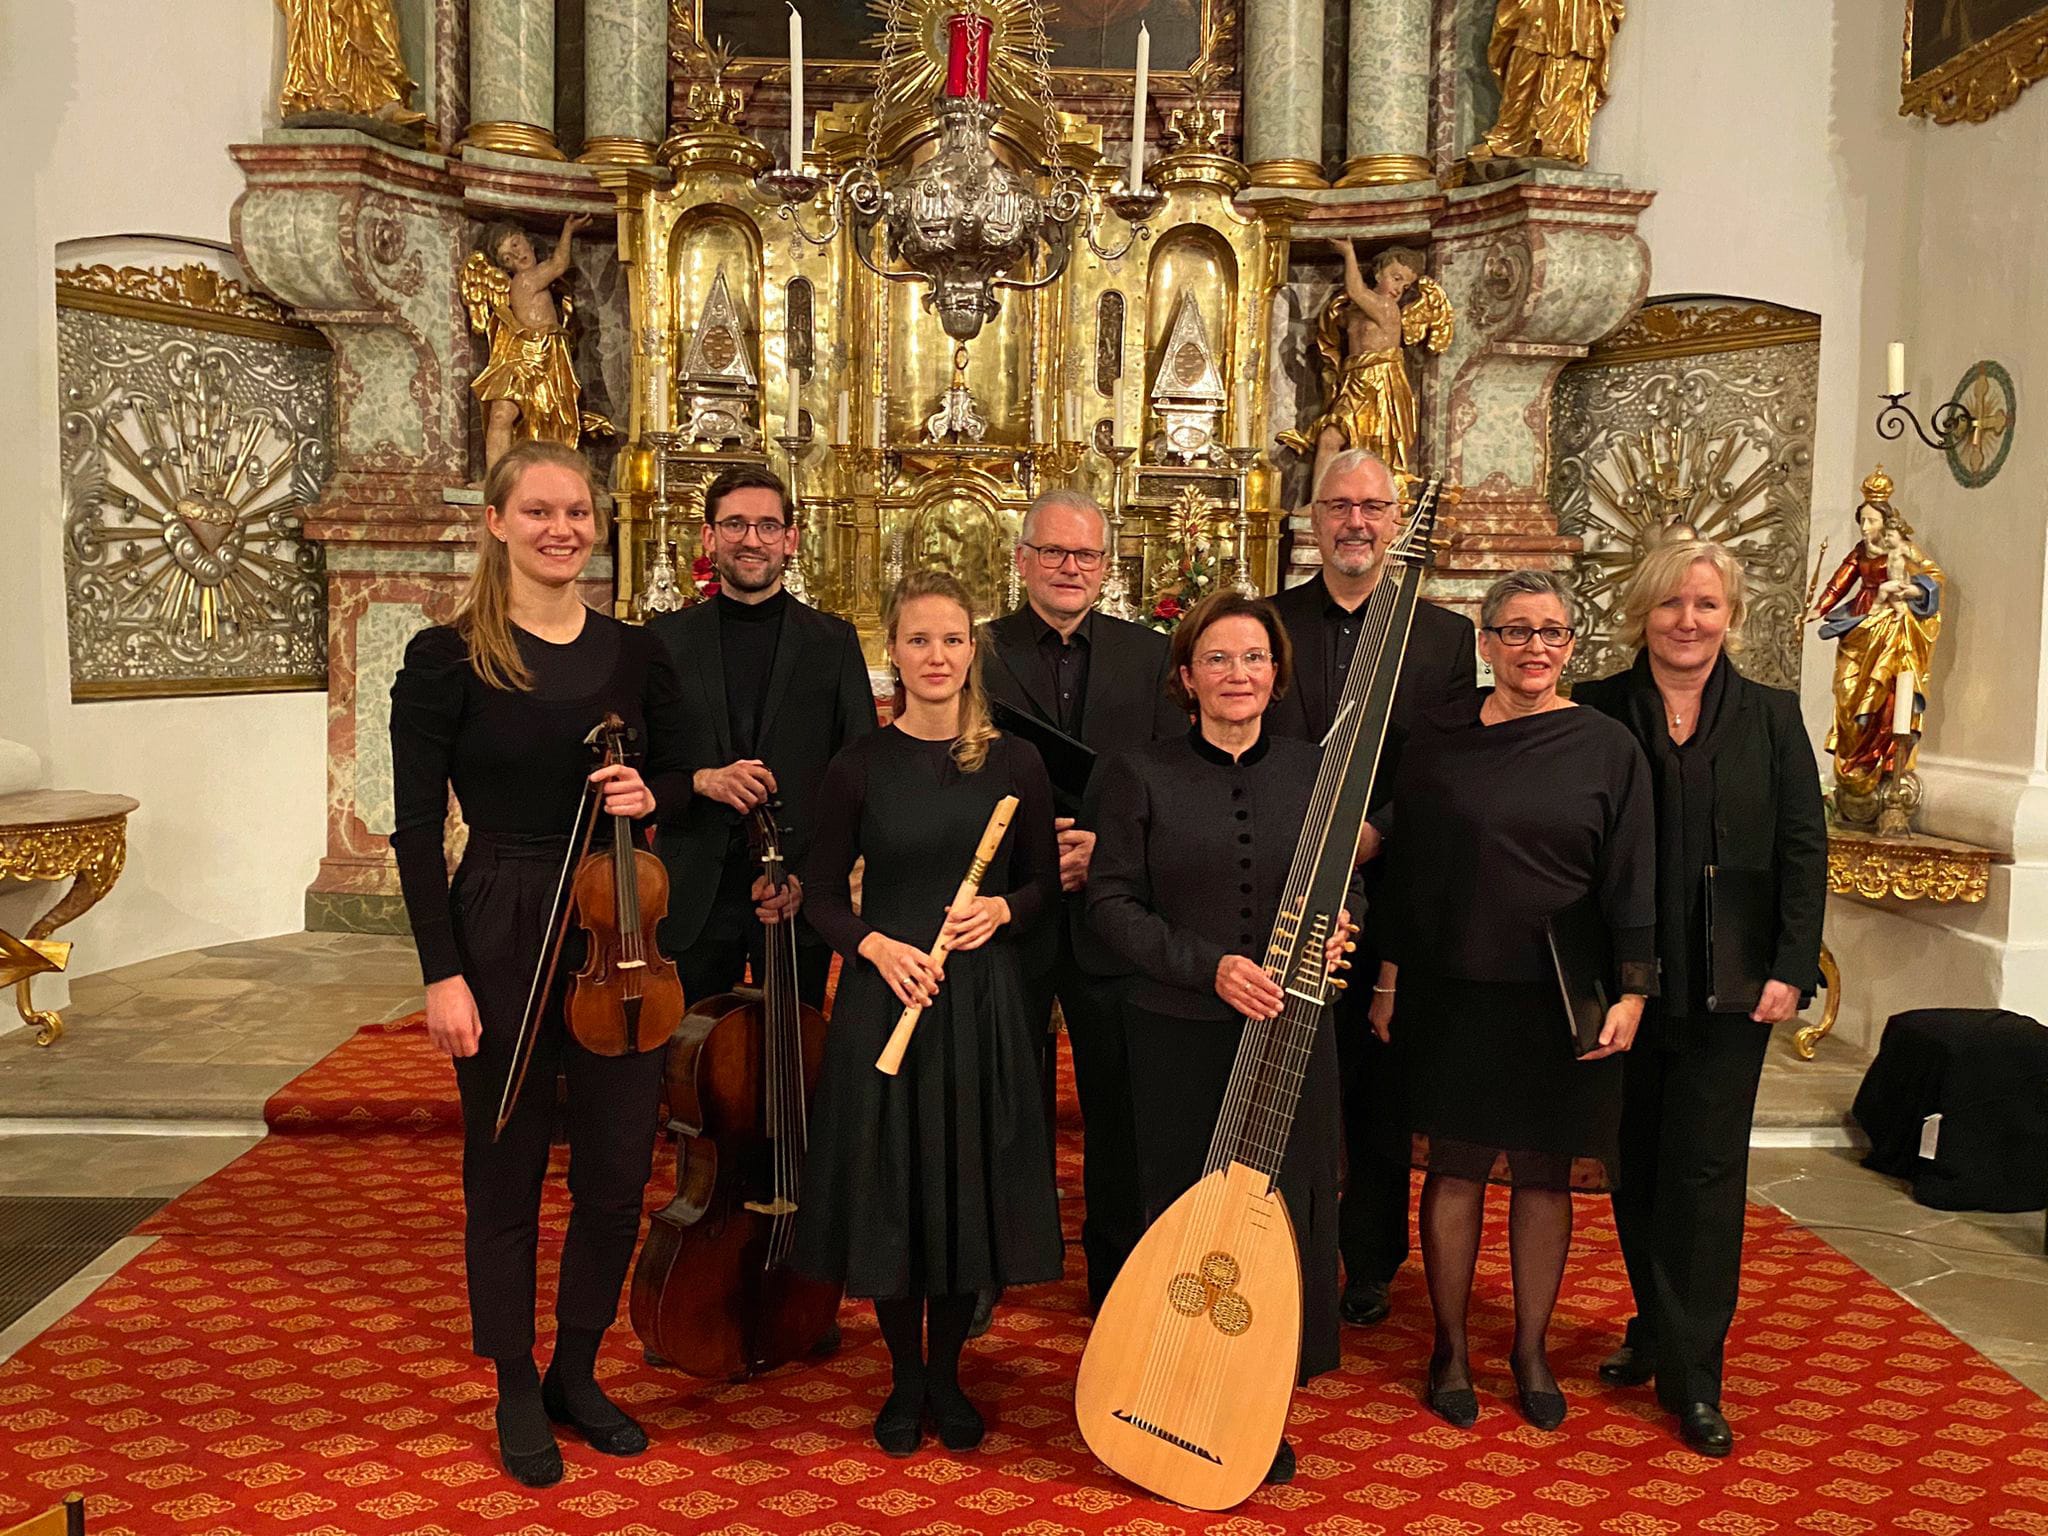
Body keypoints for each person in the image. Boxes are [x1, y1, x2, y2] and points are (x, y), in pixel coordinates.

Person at [388, 441, 688, 1486]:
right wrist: (441, 973)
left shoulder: (636, 654)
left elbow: (684, 779)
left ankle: (576, 1370)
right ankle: (515, 1379)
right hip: (503, 919)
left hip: (620, 929)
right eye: (540, 511)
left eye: (577, 513)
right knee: (506, 1166)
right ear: (496, 521)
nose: (562, 529)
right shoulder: (446, 658)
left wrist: (653, 795)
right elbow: (415, 830)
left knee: (616, 1173)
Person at [1368, 569, 1654, 1433]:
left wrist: (1633, 991)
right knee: (1454, 1170)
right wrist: (1387, 979)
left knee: (1543, 1176)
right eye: (1517, 630)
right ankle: (1450, 1350)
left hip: (1559, 996)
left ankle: (1530, 1351)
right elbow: (1407, 873)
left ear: (1571, 645)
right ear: (1486, 642)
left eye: (1552, 631)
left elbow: (1632, 876)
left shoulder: (1608, 747)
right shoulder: (1437, 736)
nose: (1535, 647)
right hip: (1451, 987)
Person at [1087, 589, 1361, 1486]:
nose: (1236, 674)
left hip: (1292, 1036)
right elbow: (1110, 903)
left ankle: (1254, 1405)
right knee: (1183, 1222)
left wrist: (1343, 925)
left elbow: (1346, 886)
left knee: (1282, 1223)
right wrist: (1209, 968)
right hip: (1178, 1034)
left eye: (1253, 658)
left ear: (1277, 675)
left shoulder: (1317, 771)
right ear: (1186, 677)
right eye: (1217, 658)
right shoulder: (1137, 772)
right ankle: (1165, 1392)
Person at [794, 570, 1064, 1458]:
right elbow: (820, 897)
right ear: (894, 653)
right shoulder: (858, 765)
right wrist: (874, 947)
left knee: (961, 1185)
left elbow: (1043, 885)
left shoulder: (1016, 763)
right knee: (894, 1188)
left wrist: (1004, 911)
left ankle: (947, 1374)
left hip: (977, 1000)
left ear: (970, 650)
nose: (936, 656)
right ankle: (904, 1379)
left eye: (951, 639)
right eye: (919, 640)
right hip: (888, 997)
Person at [1572, 540, 1826, 1457]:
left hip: (1733, 988)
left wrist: (1792, 965)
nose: (1688, 620)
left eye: (1707, 604)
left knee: (1707, 1178)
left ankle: (1696, 1378)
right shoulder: (1597, 708)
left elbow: (1803, 846)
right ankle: (1654, 1324)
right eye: (1671, 603)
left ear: (1732, 617)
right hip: (1627, 984)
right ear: (1641, 612)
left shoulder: (1772, 716)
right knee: (1635, 1164)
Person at [1267, 447, 1477, 1332]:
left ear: (1395, 521)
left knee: (1378, 1084)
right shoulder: (1269, 621)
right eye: (1338, 506)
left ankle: (1372, 1260)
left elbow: (1447, 761)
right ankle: (1283, 1246)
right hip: (1281, 879)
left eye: (1372, 507)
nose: (1355, 522)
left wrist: (1376, 828)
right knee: (1284, 1073)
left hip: (1390, 883)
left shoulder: (1443, 637)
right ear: (1313, 521)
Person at [980, 488, 1185, 1315]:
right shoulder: (977, 650)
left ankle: (1118, 1277)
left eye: (1086, 555)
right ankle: (989, 1267)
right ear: (1022, 559)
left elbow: (1176, 779)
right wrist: (1037, 854)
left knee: (1119, 1105)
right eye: (1054, 552)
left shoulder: (1152, 656)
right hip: (1009, 905)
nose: (1071, 567)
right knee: (1001, 1096)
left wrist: (1109, 850)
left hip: (1113, 911)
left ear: (1107, 566)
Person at [647, 465, 875, 1008]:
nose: (752, 539)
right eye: (735, 524)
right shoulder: (664, 641)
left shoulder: (833, 642)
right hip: (692, 892)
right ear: (709, 537)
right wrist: (701, 780)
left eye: (768, 526)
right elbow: (641, 766)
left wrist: (809, 881)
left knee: (797, 1046)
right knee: (688, 1050)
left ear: (790, 540)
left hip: (794, 894)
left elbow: (861, 776)